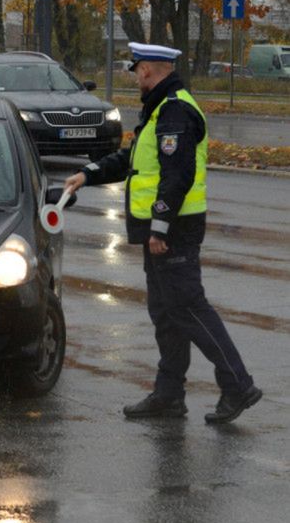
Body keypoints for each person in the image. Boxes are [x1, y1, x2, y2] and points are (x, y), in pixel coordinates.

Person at [63, 42, 262, 424]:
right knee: (167, 313)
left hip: (174, 230)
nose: (135, 78)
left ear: (148, 71)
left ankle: (237, 384)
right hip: (163, 229)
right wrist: (88, 174)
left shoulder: (174, 111)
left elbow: (177, 176)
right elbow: (133, 161)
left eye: (136, 71)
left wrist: (160, 227)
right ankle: (169, 395)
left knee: (188, 307)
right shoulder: (159, 110)